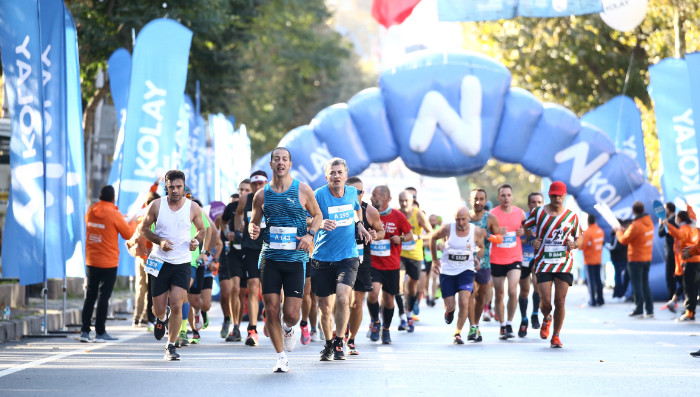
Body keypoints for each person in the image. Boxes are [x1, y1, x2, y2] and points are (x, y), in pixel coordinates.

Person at [249, 147, 323, 373]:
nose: (280, 163)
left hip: (295, 260)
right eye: (276, 159)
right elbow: (255, 221)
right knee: (271, 309)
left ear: (290, 164)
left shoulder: (302, 189)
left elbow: (318, 215)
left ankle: (289, 328)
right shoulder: (261, 195)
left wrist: (310, 236)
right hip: (270, 258)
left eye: (284, 159)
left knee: (291, 314)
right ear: (271, 164)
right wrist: (253, 229)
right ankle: (281, 357)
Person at [140, 170, 205, 361]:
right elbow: (144, 229)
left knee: (177, 303)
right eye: (171, 187)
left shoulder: (193, 207)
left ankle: (170, 345)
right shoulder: (156, 205)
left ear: (184, 187)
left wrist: (196, 241)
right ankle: (161, 318)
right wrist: (159, 241)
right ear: (166, 187)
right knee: (158, 308)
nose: (176, 191)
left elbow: (201, 230)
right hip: (158, 260)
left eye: (179, 187)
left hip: (182, 262)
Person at [311, 158, 372, 361]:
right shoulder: (318, 195)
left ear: (345, 175)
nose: (336, 176)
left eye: (339, 172)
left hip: (348, 255)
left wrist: (360, 224)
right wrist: (319, 223)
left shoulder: (352, 192)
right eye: (332, 173)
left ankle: (339, 342)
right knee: (324, 306)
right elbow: (304, 218)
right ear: (326, 176)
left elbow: (357, 209)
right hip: (322, 256)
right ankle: (328, 344)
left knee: (344, 297)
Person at [525, 181, 582, 348]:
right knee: (546, 300)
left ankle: (556, 335)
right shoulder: (538, 213)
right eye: (554, 195)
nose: (557, 198)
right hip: (543, 261)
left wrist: (575, 244)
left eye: (560, 195)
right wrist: (532, 239)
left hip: (563, 263)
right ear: (549, 195)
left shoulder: (572, 216)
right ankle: (547, 317)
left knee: (560, 300)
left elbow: (579, 236)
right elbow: (527, 226)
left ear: (565, 196)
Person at [80, 185, 134, 343]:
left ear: (100, 196)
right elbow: (128, 234)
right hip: (109, 262)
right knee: (104, 297)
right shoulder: (114, 214)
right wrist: (129, 221)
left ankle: (84, 331)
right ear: (113, 198)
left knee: (90, 296)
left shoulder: (91, 211)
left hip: (91, 260)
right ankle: (100, 332)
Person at [431, 207, 485, 344]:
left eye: (463, 219)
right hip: (447, 271)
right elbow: (433, 237)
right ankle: (450, 311)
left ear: (469, 218)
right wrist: (435, 260)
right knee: (450, 305)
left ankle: (458, 333)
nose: (460, 222)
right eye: (457, 219)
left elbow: (481, 247)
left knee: (464, 301)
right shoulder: (448, 228)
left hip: (466, 270)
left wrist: (476, 256)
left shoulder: (476, 231)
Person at [367, 185, 413, 344]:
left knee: (388, 301)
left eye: (375, 195)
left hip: (392, 265)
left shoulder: (398, 216)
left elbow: (409, 234)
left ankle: (386, 329)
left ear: (385, 198)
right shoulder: (368, 213)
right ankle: (375, 322)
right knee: (373, 294)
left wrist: (400, 239)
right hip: (373, 263)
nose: (371, 198)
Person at [346, 176, 384, 355]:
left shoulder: (369, 211)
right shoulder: (337, 207)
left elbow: (381, 230)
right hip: (339, 258)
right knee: (341, 300)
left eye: (359, 192)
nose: (356, 196)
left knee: (356, 303)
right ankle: (340, 331)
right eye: (352, 192)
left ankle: (351, 339)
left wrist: (375, 234)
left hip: (361, 259)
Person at [234, 171, 268, 346]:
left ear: (266, 183)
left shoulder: (273, 197)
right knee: (253, 287)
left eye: (261, 184)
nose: (257, 187)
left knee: (273, 290)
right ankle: (252, 330)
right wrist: (239, 229)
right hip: (251, 247)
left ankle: (269, 315)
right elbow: (239, 214)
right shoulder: (244, 200)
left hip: (271, 248)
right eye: (255, 184)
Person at [489, 184, 526, 340]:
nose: (506, 198)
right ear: (499, 198)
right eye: (503, 195)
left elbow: (527, 231)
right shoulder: (492, 214)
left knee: (512, 291)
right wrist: (496, 232)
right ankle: (502, 325)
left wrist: (523, 232)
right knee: (499, 294)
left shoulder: (520, 213)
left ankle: (510, 323)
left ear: (512, 197)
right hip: (497, 259)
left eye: (509, 195)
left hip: (514, 258)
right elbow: (486, 235)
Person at [467, 188, 501, 342]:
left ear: (485, 201)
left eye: (481, 199)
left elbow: (499, 238)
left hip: (484, 262)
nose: (478, 202)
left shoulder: (490, 218)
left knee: (481, 296)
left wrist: (488, 235)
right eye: (475, 199)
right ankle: (472, 326)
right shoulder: (464, 217)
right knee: (468, 294)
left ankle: (476, 325)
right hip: (465, 262)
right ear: (470, 200)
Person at [398, 190, 433, 332]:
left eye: (406, 201)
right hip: (399, 255)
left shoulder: (418, 214)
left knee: (412, 288)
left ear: (412, 201)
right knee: (399, 286)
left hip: (415, 256)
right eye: (401, 201)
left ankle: (409, 313)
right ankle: (401, 317)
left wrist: (418, 237)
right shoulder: (397, 213)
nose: (404, 204)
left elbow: (431, 233)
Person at [127, 191, 161, 329]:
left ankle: (138, 317)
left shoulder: (142, 217)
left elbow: (136, 236)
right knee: (153, 288)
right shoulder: (159, 216)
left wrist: (130, 244)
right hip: (154, 257)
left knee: (141, 288)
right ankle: (148, 318)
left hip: (143, 257)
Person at [615, 201, 655, 319]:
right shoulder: (649, 223)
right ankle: (650, 309)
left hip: (636, 258)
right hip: (647, 257)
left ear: (633, 211)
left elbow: (624, 240)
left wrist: (618, 231)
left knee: (637, 285)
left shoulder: (635, 225)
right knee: (645, 284)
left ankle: (639, 309)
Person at [221, 185, 250, 342]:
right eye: (241, 190)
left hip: (250, 252)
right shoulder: (232, 206)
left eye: (246, 190)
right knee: (235, 288)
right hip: (233, 253)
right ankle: (235, 326)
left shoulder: (257, 205)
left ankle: (242, 326)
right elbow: (222, 222)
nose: (243, 193)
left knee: (242, 292)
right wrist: (227, 234)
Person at [518, 192, 544, 337]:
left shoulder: (546, 219)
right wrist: (526, 237)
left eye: (539, 202)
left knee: (537, 285)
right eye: (533, 202)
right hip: (523, 256)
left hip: (538, 256)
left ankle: (535, 314)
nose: (536, 205)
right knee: (524, 291)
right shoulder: (523, 218)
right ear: (529, 204)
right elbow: (516, 239)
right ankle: (524, 319)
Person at [670, 210, 699, 322]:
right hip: (696, 260)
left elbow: (678, 235)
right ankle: (690, 312)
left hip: (689, 261)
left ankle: (689, 313)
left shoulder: (685, 229)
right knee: (693, 288)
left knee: (689, 288)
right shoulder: (694, 228)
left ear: (680, 219)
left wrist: (667, 224)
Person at [581, 214, 605, 307]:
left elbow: (583, 246)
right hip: (598, 259)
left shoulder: (587, 232)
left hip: (589, 260)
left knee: (591, 281)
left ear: (588, 222)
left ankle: (592, 300)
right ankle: (601, 299)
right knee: (598, 280)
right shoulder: (600, 231)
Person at [658, 202, 678, 305]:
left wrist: (661, 222)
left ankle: (672, 300)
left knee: (670, 277)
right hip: (676, 252)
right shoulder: (677, 219)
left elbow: (660, 233)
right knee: (676, 277)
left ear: (669, 210)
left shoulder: (670, 221)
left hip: (671, 252)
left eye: (665, 209)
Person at [605, 221, 629, 303]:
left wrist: (605, 245)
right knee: (620, 277)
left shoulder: (618, 235)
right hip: (622, 258)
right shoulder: (623, 233)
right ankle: (620, 294)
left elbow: (614, 247)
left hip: (619, 258)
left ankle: (618, 294)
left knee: (618, 277)